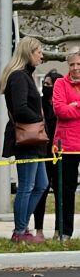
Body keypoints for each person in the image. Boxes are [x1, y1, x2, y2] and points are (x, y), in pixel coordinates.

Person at [0, 36, 47, 244]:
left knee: (41, 184)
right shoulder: (19, 77)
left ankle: (22, 228)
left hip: (34, 140)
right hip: (26, 137)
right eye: (39, 52)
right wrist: (40, 121)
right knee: (27, 185)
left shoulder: (25, 76)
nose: (42, 56)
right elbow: (20, 109)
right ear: (29, 52)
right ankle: (20, 231)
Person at [52, 50, 80, 239]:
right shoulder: (60, 83)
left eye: (79, 64)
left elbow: (68, 109)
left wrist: (75, 105)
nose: (76, 68)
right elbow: (60, 110)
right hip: (67, 144)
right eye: (72, 65)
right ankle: (64, 232)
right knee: (66, 190)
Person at [33, 69, 63, 238]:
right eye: (44, 84)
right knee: (41, 190)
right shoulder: (39, 103)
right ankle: (39, 230)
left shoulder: (61, 102)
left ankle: (59, 230)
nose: (46, 87)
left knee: (60, 191)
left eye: (49, 84)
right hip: (42, 151)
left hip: (60, 152)